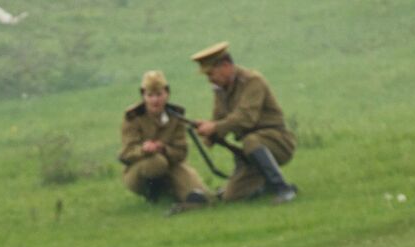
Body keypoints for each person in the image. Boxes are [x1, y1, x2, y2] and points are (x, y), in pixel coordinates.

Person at [189, 42, 297, 203]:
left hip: (277, 141)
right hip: (250, 150)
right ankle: (263, 186)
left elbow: (246, 118)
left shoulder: (253, 81)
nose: (209, 79)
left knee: (251, 140)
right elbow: (219, 118)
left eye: (211, 74)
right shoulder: (220, 89)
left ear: (225, 66)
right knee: (231, 197)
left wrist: (215, 127)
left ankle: (283, 188)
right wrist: (209, 133)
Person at [119, 70, 210, 209]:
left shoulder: (176, 117)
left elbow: (181, 152)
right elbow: (126, 153)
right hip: (139, 169)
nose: (155, 100)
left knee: (202, 197)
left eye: (159, 94)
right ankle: (154, 196)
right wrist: (144, 149)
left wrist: (164, 149)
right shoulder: (133, 117)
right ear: (143, 96)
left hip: (172, 164)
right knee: (157, 162)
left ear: (167, 94)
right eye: (150, 95)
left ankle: (176, 195)